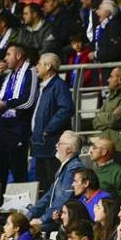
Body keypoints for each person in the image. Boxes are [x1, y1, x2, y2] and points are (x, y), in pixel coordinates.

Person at [0, 43, 38, 184]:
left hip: (17, 130)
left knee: (18, 171)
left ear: (18, 55)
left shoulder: (30, 72)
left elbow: (28, 101)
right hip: (1, 129)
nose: (5, 58)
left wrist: (6, 104)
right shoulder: (8, 76)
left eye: (9, 54)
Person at [31, 53, 74, 192]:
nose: (36, 67)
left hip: (51, 143)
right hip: (40, 144)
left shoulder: (59, 86)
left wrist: (48, 128)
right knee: (41, 185)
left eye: (39, 64)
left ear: (48, 66)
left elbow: (67, 109)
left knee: (52, 183)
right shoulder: (42, 86)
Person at [28, 130, 85, 233]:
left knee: (27, 231)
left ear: (68, 150)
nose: (56, 146)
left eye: (60, 143)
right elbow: (49, 195)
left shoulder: (74, 167)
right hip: (51, 217)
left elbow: (64, 198)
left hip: (59, 220)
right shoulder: (64, 167)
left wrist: (42, 219)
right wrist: (31, 213)